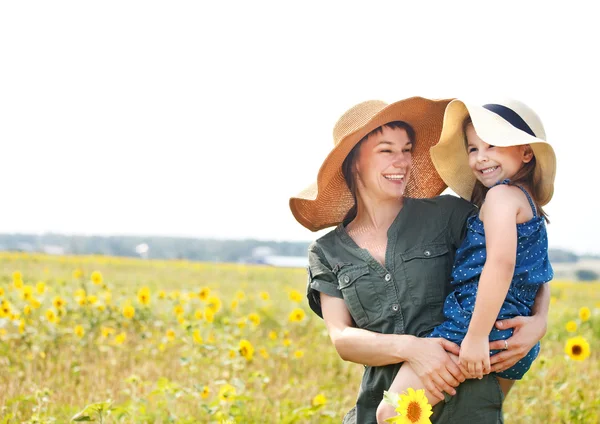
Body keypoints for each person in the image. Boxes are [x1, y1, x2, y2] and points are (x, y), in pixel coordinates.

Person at [289, 97, 550, 424]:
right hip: (385, 411)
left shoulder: (450, 215)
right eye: (386, 150)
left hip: (470, 408)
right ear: (353, 161)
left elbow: (519, 259)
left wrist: (539, 322)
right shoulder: (327, 252)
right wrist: (414, 349)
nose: (401, 161)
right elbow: (342, 339)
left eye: (407, 150)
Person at [375, 98, 556, 423]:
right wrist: (539, 320)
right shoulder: (528, 207)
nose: (480, 157)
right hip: (514, 341)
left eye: (493, 145)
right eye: (472, 149)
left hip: (476, 330)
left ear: (526, 152)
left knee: (393, 413)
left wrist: (474, 337)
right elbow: (539, 276)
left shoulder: (501, 198)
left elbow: (500, 266)